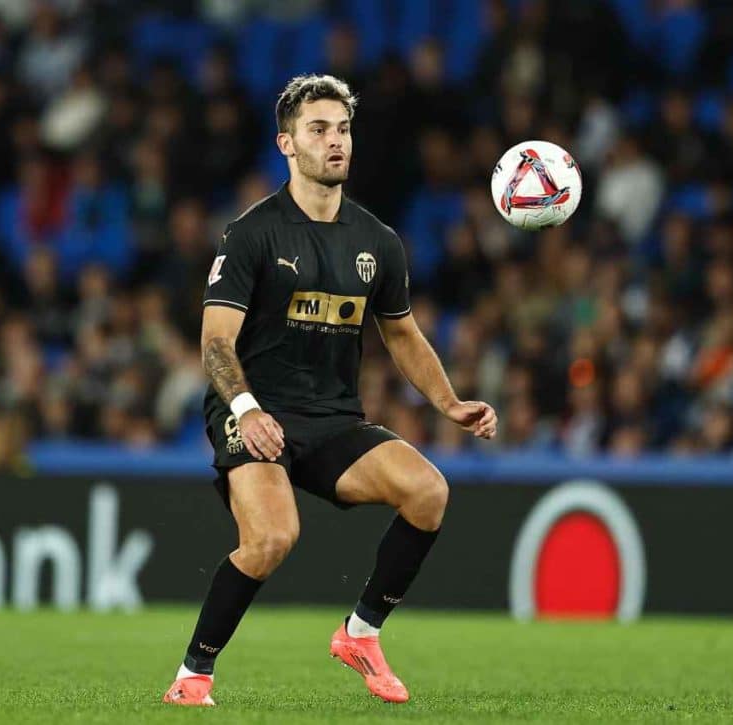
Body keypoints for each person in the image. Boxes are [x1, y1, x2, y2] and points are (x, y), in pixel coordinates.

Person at [163, 75, 498, 707]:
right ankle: (192, 675)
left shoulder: (377, 241)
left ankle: (360, 634)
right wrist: (246, 409)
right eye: (318, 130)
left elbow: (402, 335)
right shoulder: (252, 233)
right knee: (271, 539)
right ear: (286, 143)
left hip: (332, 416)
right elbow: (214, 343)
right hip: (254, 409)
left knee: (428, 491)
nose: (335, 141)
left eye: (342, 129)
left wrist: (450, 403)